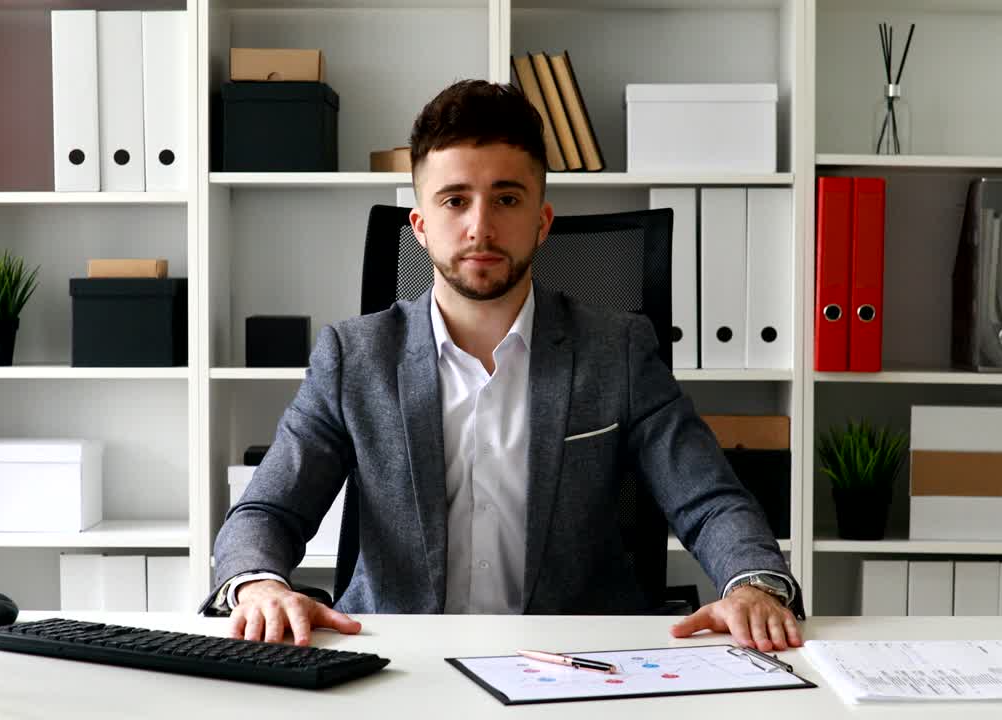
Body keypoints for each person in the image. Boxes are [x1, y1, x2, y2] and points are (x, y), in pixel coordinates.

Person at [202, 79, 804, 654]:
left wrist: (754, 585)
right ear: (420, 224)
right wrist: (259, 585)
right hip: (398, 660)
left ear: (542, 222)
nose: (480, 226)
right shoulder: (352, 358)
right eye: (455, 199)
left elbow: (710, 499)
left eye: (507, 199)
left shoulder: (617, 350)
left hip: (576, 667)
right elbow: (267, 511)